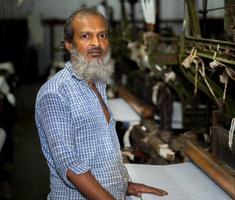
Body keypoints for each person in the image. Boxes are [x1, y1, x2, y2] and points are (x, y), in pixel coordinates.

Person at [35, 7, 168, 200]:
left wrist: (124, 185)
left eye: (102, 35)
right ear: (69, 44)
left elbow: (100, 152)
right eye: (86, 36)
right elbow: (70, 166)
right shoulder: (55, 93)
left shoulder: (97, 82)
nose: (97, 43)